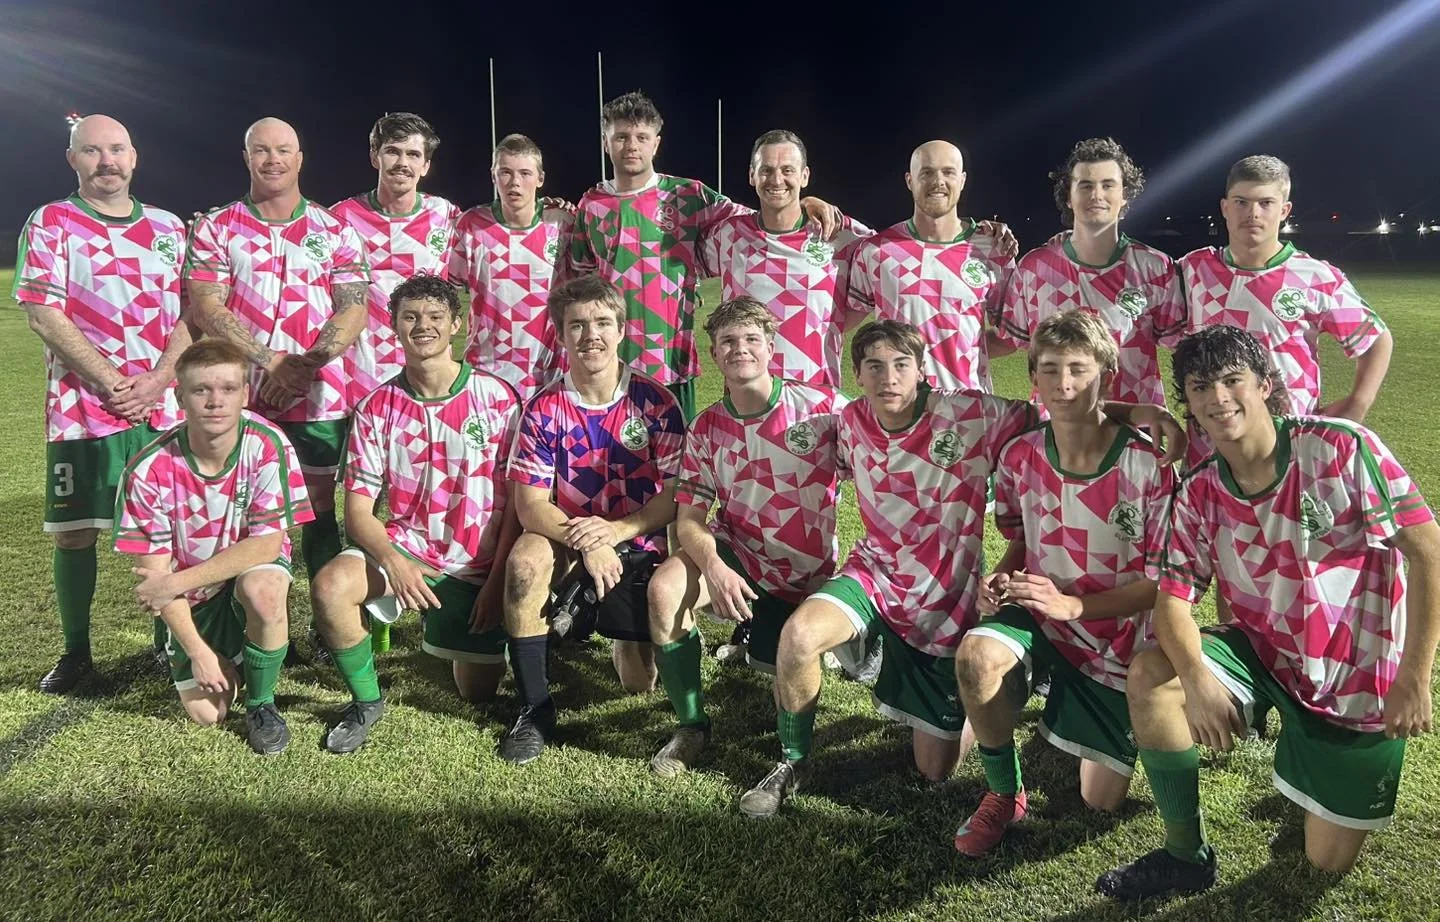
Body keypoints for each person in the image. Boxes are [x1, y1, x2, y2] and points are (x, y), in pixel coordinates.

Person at [737, 319, 1182, 818]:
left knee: (936, 770)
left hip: (946, 597)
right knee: (798, 637)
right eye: (874, 367)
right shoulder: (846, 419)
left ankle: (974, 712)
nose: (889, 378)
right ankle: (789, 762)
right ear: (856, 377)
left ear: (922, 370)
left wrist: (1139, 411)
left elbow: (1067, 406)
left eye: (901, 365)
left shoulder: (972, 414)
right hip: (875, 571)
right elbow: (775, 434)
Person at [1096, 324, 1438, 900]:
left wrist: (1413, 675)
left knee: (1324, 861)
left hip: (1354, 673)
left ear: (1266, 385)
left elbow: (1428, 551)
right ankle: (1186, 856)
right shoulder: (1200, 491)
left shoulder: (1339, 448)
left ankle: (1310, 778)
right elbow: (1172, 603)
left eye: (1233, 381)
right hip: (1262, 651)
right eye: (1201, 386)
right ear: (1188, 401)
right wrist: (1199, 682)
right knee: (1153, 674)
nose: (1218, 398)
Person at [952, 310, 1174, 856]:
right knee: (975, 658)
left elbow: (1166, 583)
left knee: (1100, 801)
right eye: (1050, 370)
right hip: (1041, 610)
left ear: (1107, 374)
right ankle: (1005, 792)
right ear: (1033, 377)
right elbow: (1023, 538)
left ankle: (1154, 701)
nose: (1064, 384)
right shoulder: (1020, 455)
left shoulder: (1149, 466)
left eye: (1079, 368)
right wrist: (1006, 572)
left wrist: (1076, 605)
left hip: (1113, 635)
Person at [14, 113, 192, 693]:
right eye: (92, 151)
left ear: (134, 156)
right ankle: (75, 655)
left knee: (170, 532)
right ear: (73, 160)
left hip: (163, 409)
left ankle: (170, 645)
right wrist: (114, 381)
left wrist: (162, 379)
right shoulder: (53, 221)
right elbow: (43, 310)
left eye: (116, 149)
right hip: (80, 408)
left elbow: (191, 314)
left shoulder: (169, 227)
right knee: (74, 534)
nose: (107, 161)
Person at [309, 274, 522, 753]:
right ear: (393, 326)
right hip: (408, 551)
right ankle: (366, 701)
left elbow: (519, 503)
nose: (422, 326)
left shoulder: (498, 399)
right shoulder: (376, 407)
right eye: (410, 317)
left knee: (477, 692)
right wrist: (395, 561)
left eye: (434, 317)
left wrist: (495, 580)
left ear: (457, 326)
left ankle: (458, 628)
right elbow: (358, 512)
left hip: (476, 565)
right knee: (330, 585)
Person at [647, 296, 847, 776]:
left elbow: (881, 471)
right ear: (714, 355)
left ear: (772, 347)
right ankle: (691, 726)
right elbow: (689, 519)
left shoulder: (822, 408)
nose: (740, 349)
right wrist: (714, 568)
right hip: (741, 556)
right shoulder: (707, 428)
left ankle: (795, 741)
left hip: (808, 575)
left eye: (751, 339)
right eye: (728, 342)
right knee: (664, 589)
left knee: (784, 682)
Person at [499, 274, 687, 764]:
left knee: (637, 684)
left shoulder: (656, 403)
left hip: (636, 540)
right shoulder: (543, 408)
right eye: (577, 326)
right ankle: (534, 710)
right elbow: (530, 505)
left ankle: (590, 619)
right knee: (524, 564)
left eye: (603, 323)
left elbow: (674, 496)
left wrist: (617, 533)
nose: (591, 336)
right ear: (562, 336)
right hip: (568, 535)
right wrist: (587, 542)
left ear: (622, 330)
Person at [559, 90, 838, 420]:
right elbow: (581, 282)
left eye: (641, 137)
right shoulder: (591, 205)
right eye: (621, 136)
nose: (631, 145)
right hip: (612, 360)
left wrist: (806, 202)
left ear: (656, 143)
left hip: (673, 362)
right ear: (606, 142)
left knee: (677, 464)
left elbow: (764, 215)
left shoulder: (688, 195)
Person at [184, 117, 370, 588]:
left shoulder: (335, 230)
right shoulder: (216, 227)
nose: (273, 159)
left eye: (283, 150)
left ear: (300, 159)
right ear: (246, 158)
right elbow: (207, 304)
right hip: (238, 392)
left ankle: (326, 621)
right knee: (236, 503)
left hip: (319, 394)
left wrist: (305, 366)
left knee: (320, 502)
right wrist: (271, 362)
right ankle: (241, 619)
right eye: (262, 151)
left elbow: (353, 309)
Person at [114, 340, 312, 754]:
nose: (215, 401)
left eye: (227, 389)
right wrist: (198, 652)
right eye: (201, 390)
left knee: (264, 590)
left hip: (241, 571)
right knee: (208, 714)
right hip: (194, 593)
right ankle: (220, 646)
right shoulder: (147, 469)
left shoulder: (267, 444)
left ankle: (261, 705)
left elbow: (266, 545)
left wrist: (172, 584)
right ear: (179, 396)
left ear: (245, 393)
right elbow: (155, 575)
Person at [1175, 155, 1392, 465]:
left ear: (1284, 210)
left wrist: (1357, 404)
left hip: (1289, 443)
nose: (1252, 213)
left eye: (1265, 203)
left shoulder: (1315, 277)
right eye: (1241, 202)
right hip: (1210, 445)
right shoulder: (1194, 269)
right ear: (1224, 207)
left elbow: (1376, 340)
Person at [997, 137, 1185, 407]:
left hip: (1134, 430)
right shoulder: (1034, 268)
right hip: (1056, 429)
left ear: (1124, 196)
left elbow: (1182, 348)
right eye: (1085, 186)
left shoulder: (1156, 268)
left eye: (1107, 185)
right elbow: (1008, 341)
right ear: (1068, 197)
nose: (1096, 195)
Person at [698, 129, 871, 389]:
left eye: (788, 170)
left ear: (805, 176)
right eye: (766, 170)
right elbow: (675, 256)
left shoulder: (840, 234)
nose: (776, 179)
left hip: (817, 402)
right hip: (746, 401)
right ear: (752, 175)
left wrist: (828, 322)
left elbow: (887, 265)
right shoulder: (728, 234)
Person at [838, 141, 1015, 392]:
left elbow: (1012, 337)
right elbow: (838, 321)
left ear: (962, 180)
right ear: (910, 181)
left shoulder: (994, 250)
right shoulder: (876, 251)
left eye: (948, 172)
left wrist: (961, 345)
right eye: (927, 172)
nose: (938, 181)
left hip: (969, 410)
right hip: (900, 409)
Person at [331, 112, 461, 408]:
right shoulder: (340, 218)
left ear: (425, 166)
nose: (403, 163)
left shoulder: (445, 215)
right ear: (375, 157)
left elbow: (495, 232)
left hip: (428, 374)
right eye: (393, 151)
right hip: (360, 376)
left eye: (413, 154)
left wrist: (549, 208)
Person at [450, 133, 572, 399]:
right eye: (506, 172)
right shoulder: (470, 225)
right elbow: (447, 289)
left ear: (540, 179)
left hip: (550, 374)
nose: (515, 182)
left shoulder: (563, 224)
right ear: (494, 176)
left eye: (525, 173)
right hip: (487, 372)